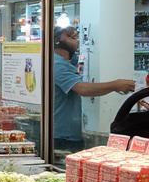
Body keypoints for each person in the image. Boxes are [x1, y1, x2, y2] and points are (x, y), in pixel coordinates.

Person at [53, 25, 134, 153]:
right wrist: (115, 85)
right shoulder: (57, 65)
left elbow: (83, 61)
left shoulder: (70, 60)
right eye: (70, 36)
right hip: (62, 136)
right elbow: (82, 89)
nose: (76, 39)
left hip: (71, 133)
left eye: (76, 36)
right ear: (57, 40)